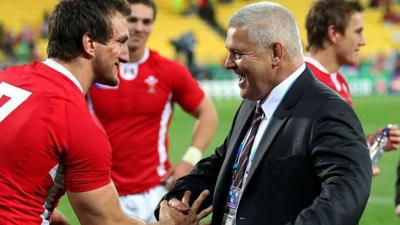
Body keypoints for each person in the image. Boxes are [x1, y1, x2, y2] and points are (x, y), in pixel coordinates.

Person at [156, 2, 372, 225]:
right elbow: (225, 162)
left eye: (237, 53)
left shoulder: (327, 110)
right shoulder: (254, 101)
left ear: (276, 53)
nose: (228, 63)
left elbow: (345, 196)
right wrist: (177, 199)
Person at [0, 0, 211, 225]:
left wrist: (48, 213)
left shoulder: (9, 78)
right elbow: (108, 222)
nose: (125, 56)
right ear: (89, 43)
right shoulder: (76, 119)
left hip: (148, 187)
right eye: (120, 42)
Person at [88, 0, 218, 222]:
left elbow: (208, 114)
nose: (139, 27)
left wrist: (189, 159)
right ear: (119, 22)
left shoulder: (169, 70)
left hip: (155, 193)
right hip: (104, 191)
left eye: (146, 21)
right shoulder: (93, 68)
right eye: (133, 20)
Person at [304, 0, 400, 176]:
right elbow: (299, 155)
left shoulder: (338, 80)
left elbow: (336, 144)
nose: (363, 41)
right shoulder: (305, 82)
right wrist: (353, 168)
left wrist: (371, 144)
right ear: (334, 33)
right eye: (358, 32)